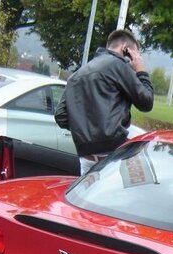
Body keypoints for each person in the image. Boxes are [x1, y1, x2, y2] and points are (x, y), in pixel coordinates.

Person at [55, 29, 154, 175]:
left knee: (86, 197)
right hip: (112, 155)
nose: (136, 58)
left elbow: (61, 116)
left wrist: (84, 129)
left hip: (86, 157)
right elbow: (146, 102)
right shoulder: (118, 65)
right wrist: (140, 70)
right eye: (135, 54)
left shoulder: (77, 75)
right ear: (125, 49)